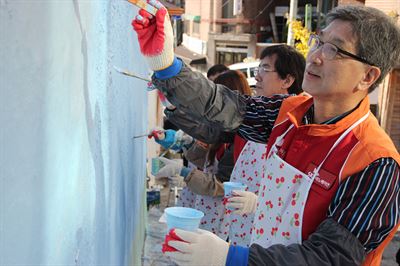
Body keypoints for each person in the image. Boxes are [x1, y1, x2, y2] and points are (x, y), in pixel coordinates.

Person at [132, 3, 400, 266]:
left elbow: (330, 256)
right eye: (318, 41)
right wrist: (167, 65)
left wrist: (229, 257)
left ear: (368, 76)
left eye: (335, 50)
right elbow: (223, 105)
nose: (315, 56)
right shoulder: (287, 112)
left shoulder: (376, 162)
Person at [154, 70, 252, 238]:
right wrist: (178, 140)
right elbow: (205, 157)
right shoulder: (223, 130)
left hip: (220, 216)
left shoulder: (242, 139)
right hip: (203, 204)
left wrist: (182, 171)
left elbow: (220, 185)